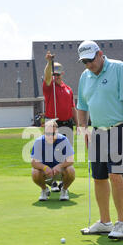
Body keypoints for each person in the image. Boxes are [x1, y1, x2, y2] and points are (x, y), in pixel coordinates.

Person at [77, 40, 123, 239]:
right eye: (84, 62)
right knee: (99, 177)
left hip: (119, 129)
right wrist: (83, 129)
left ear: (100, 54)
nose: (88, 65)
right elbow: (82, 105)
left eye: (91, 60)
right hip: (97, 132)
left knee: (115, 175)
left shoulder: (119, 68)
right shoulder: (85, 76)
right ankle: (105, 221)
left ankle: (121, 223)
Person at [43, 51, 78, 192]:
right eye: (53, 74)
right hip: (53, 123)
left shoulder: (68, 89)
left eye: (57, 74)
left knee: (65, 155)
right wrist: (48, 63)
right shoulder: (48, 87)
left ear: (62, 74)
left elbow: (72, 108)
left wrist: (78, 125)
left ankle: (64, 182)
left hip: (68, 124)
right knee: (51, 155)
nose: (55, 76)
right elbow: (46, 77)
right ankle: (52, 182)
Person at [31, 119, 75, 201]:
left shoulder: (63, 140)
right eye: (47, 133)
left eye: (53, 133)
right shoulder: (39, 141)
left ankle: (64, 190)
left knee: (71, 170)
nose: (50, 136)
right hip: (45, 173)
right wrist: (44, 167)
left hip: (60, 171)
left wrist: (60, 166)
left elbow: (71, 160)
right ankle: (44, 190)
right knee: (35, 173)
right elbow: (33, 163)